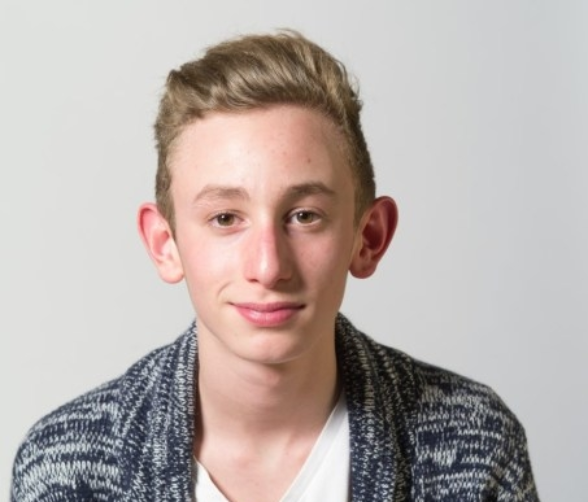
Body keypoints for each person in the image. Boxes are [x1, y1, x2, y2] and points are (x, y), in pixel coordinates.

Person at [11, 31, 540, 502]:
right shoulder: (64, 467)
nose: (268, 267)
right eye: (225, 218)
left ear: (368, 238)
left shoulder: (475, 445)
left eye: (305, 216)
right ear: (164, 244)